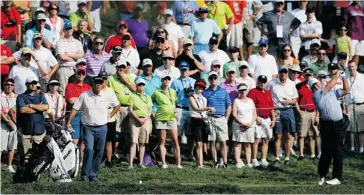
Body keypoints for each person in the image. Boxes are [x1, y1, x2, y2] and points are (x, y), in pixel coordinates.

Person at [66, 76, 119, 182]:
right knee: (89, 149)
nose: (98, 85)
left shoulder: (107, 95)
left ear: (103, 84)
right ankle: (85, 174)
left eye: (100, 83)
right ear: (93, 84)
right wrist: (68, 122)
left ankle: (93, 174)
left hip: (102, 127)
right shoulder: (85, 95)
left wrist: (111, 115)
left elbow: (117, 105)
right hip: (88, 127)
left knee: (99, 151)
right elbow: (75, 108)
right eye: (96, 83)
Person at [309, 68, 350, 186]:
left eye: (317, 83)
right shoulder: (317, 94)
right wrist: (337, 74)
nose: (317, 85)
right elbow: (330, 84)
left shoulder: (331, 92)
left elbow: (346, 90)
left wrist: (344, 77)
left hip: (338, 124)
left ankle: (337, 177)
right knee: (327, 152)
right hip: (327, 126)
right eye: (314, 85)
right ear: (312, 88)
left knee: (338, 151)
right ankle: (321, 174)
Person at [269, 66, 298, 167]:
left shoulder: (291, 84)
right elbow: (267, 94)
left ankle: (287, 158)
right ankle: (277, 158)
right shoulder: (272, 83)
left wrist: (289, 101)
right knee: (278, 135)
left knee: (289, 135)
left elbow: (295, 99)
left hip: (288, 110)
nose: (283, 74)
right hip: (277, 110)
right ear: (279, 72)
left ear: (287, 73)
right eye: (282, 72)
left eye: (285, 72)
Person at [107, 59, 136, 160]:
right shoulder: (111, 79)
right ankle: (115, 153)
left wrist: (125, 80)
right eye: (120, 67)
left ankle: (127, 152)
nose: (122, 69)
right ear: (116, 68)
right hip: (117, 108)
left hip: (128, 107)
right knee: (117, 132)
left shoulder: (130, 77)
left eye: (123, 67)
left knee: (128, 132)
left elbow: (135, 89)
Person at [16, 77, 49, 164]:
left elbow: (46, 107)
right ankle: (24, 176)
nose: (33, 85)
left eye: (35, 83)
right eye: (31, 83)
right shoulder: (21, 97)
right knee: (26, 158)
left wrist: (30, 105)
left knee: (38, 157)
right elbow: (22, 110)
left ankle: (35, 177)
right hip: (26, 131)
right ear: (26, 84)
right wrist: (39, 108)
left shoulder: (41, 97)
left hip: (39, 131)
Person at [203, 71, 232, 168]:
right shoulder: (205, 92)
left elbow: (229, 106)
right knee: (213, 141)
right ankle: (215, 162)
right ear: (209, 80)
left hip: (221, 118)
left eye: (215, 78)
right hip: (211, 119)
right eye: (211, 78)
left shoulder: (223, 91)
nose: (213, 80)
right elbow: (204, 107)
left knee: (223, 142)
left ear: (218, 79)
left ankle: (224, 162)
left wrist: (227, 117)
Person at [152, 75, 182, 168]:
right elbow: (152, 102)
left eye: (168, 79)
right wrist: (153, 112)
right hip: (161, 118)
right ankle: (164, 163)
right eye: (165, 79)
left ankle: (178, 163)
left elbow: (175, 103)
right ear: (162, 80)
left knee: (175, 141)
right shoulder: (156, 92)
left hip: (172, 118)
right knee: (162, 140)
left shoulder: (173, 92)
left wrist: (176, 112)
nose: (167, 80)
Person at [247, 75, 275, 168]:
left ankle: (263, 159)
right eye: (260, 81)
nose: (262, 83)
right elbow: (251, 106)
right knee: (256, 140)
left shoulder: (267, 92)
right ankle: (254, 159)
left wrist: (273, 119)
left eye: (264, 82)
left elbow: (271, 107)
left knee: (266, 139)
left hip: (267, 119)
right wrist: (256, 117)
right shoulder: (253, 92)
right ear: (257, 82)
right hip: (258, 118)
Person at [171, 62, 196, 161]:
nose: (184, 71)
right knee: (178, 133)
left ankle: (190, 153)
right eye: (182, 69)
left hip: (191, 109)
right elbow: (172, 98)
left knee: (190, 134)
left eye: (186, 69)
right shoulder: (175, 82)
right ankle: (177, 154)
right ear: (180, 70)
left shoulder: (194, 81)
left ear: (188, 70)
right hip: (180, 108)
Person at [296, 68, 321, 160]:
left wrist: (317, 115)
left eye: (310, 75)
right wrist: (299, 112)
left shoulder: (316, 86)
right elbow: (296, 101)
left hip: (313, 112)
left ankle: (312, 154)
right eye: (306, 75)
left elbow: (318, 102)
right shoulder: (299, 86)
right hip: (303, 111)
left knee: (312, 134)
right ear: (304, 76)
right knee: (301, 134)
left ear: (313, 76)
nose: (308, 77)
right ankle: (301, 154)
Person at [128, 78, 153, 168]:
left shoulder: (148, 97)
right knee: (133, 142)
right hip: (135, 120)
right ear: (136, 86)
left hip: (145, 120)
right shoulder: (132, 96)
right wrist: (138, 118)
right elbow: (130, 110)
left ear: (144, 86)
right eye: (139, 85)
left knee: (142, 143)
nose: (141, 86)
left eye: (142, 85)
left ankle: (141, 162)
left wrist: (144, 119)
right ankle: (130, 163)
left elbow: (150, 110)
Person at [188, 79, 213, 168]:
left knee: (202, 143)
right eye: (198, 86)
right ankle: (199, 164)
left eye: (202, 87)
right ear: (195, 87)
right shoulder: (191, 97)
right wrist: (208, 108)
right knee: (198, 143)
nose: (200, 88)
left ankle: (200, 163)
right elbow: (195, 108)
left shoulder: (204, 99)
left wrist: (210, 111)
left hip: (203, 121)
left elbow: (205, 112)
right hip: (195, 120)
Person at [97, 72, 119, 168]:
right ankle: (98, 159)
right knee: (99, 140)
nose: (104, 81)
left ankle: (109, 160)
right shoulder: (96, 90)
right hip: (98, 118)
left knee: (109, 140)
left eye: (105, 79)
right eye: (102, 79)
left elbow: (117, 105)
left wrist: (110, 115)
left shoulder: (110, 91)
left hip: (109, 119)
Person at [56, 21, 84, 95]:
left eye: (70, 29)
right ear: (64, 31)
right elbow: (62, 57)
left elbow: (81, 54)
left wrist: (68, 54)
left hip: (75, 70)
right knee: (63, 92)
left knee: (75, 91)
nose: (69, 31)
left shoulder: (77, 42)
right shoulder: (60, 42)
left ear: (72, 29)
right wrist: (75, 58)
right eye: (67, 29)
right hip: (64, 69)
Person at [232, 83, 257, 168]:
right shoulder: (236, 101)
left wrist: (251, 123)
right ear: (238, 91)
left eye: (244, 90)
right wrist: (242, 123)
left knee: (248, 144)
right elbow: (234, 114)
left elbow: (254, 114)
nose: (243, 92)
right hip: (238, 125)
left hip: (249, 125)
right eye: (241, 90)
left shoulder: (251, 101)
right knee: (238, 144)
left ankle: (248, 162)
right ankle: (238, 161)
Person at [345, 60, 364, 153]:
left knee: (361, 128)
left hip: (361, 104)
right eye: (349, 67)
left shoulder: (362, 77)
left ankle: (361, 148)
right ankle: (352, 147)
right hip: (350, 104)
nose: (351, 68)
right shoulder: (347, 78)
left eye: (353, 66)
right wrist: (345, 105)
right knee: (351, 127)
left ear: (356, 66)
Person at [0, 78, 18, 173]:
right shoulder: (0, 96)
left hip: (14, 124)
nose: (9, 86)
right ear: (4, 85)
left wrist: (14, 122)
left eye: (11, 85)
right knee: (0, 146)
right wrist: (8, 121)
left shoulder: (17, 97)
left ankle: (10, 166)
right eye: (7, 84)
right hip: (2, 124)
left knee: (12, 146)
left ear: (14, 86)